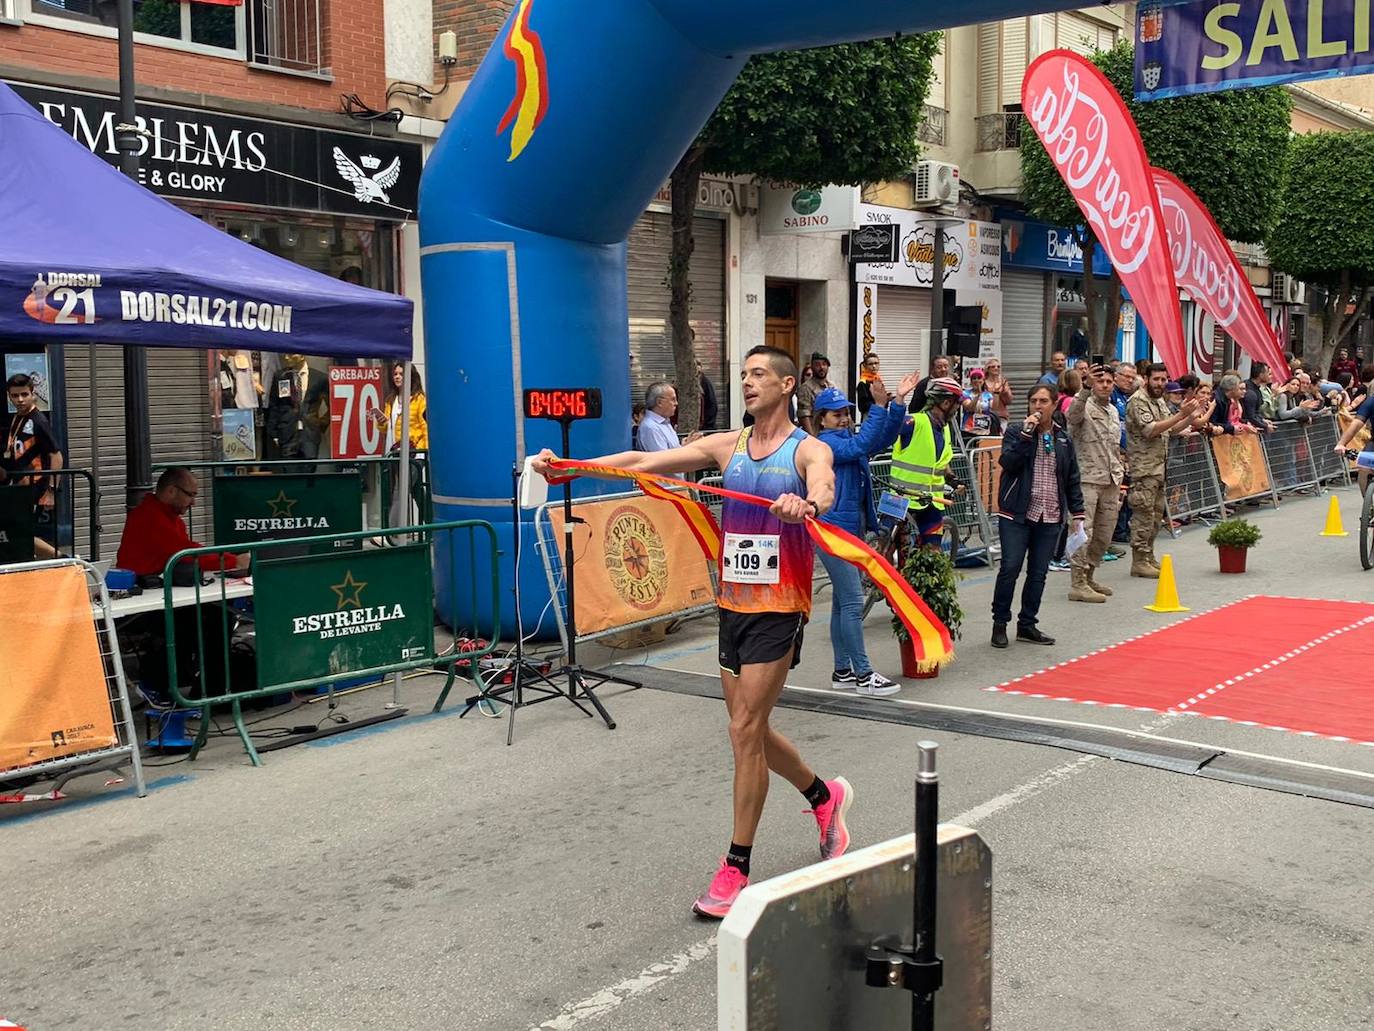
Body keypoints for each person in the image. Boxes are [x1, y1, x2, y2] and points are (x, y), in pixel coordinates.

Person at [532, 345, 848, 920]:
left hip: (780, 607)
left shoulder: (809, 450)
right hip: (733, 604)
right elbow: (646, 462)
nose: (748, 383)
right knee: (749, 731)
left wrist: (808, 504)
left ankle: (736, 865)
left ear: (784, 384)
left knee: (744, 727)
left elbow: (825, 487)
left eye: (758, 375)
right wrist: (574, 468)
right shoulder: (727, 446)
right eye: (744, 375)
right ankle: (824, 798)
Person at [813, 374, 918, 696]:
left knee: (842, 605)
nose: (844, 417)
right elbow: (864, 443)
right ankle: (862, 674)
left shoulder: (843, 440)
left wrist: (897, 403)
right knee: (853, 602)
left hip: (846, 530)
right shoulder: (827, 444)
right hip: (833, 531)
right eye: (837, 414)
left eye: (846, 412)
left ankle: (843, 670)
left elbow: (880, 441)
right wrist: (878, 406)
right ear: (822, 420)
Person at [115, 467, 245, 703]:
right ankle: (158, 684)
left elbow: (187, 549)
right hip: (139, 604)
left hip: (159, 595)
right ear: (172, 490)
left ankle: (211, 689)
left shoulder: (169, 518)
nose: (194, 502)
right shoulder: (150, 517)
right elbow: (185, 552)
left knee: (218, 617)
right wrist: (233, 560)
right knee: (194, 622)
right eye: (190, 495)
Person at [990, 384, 1085, 648]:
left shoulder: (1063, 438)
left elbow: (1071, 478)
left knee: (1038, 573)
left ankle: (1027, 624)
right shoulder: (1015, 431)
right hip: (1017, 514)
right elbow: (1008, 462)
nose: (1038, 406)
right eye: (1034, 401)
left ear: (1055, 405)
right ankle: (1000, 623)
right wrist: (1025, 435)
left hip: (1050, 514)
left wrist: (1077, 512)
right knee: (1010, 568)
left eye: (1044, 401)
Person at [1127, 365, 1202, 578]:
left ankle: (1148, 555)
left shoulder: (1159, 400)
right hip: (1144, 468)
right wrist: (1181, 414)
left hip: (1160, 467)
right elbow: (1151, 430)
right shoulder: (1138, 400)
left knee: (1156, 516)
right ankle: (1138, 560)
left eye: (1163, 379)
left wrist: (1189, 417)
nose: (1160, 384)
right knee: (1143, 515)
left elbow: (1170, 429)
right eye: (1156, 379)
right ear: (1145, 379)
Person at [1065, 365, 1124, 603]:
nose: (1105, 385)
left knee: (1104, 534)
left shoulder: (1112, 410)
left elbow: (1113, 445)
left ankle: (1090, 575)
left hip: (1110, 478)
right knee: (1083, 532)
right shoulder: (1082, 405)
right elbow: (1073, 417)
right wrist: (1085, 388)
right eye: (1100, 381)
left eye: (1109, 381)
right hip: (1087, 479)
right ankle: (1077, 582)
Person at [889, 377, 964, 555]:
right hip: (899, 498)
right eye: (957, 404)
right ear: (946, 403)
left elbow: (941, 464)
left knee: (933, 553)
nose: (957, 408)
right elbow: (888, 431)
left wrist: (954, 480)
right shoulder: (913, 422)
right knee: (884, 543)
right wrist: (897, 401)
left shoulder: (945, 429)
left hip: (930, 501)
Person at [2, 373, 63, 559]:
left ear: (32, 393)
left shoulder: (38, 420)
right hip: (20, 487)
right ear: (9, 396)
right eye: (15, 396)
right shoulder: (17, 418)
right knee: (15, 532)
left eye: (24, 394)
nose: (20, 400)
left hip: (37, 487)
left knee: (21, 533)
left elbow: (57, 456)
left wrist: (52, 491)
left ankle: (63, 558)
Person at [371, 363, 429, 529]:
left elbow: (425, 427)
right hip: (395, 452)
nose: (397, 377)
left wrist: (421, 452)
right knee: (416, 492)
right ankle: (432, 526)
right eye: (395, 374)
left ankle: (392, 531)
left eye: (401, 374)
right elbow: (385, 428)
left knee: (399, 491)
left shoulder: (419, 400)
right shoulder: (392, 400)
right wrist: (381, 421)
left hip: (413, 453)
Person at [637, 382, 695, 452]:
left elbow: (671, 453)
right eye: (673, 399)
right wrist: (685, 449)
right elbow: (663, 460)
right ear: (659, 402)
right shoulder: (651, 428)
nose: (676, 403)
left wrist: (683, 446)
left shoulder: (665, 422)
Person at [797, 352, 833, 435]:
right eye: (817, 365)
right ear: (812, 367)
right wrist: (812, 437)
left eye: (824, 364)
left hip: (832, 432)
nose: (821, 367)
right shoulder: (806, 388)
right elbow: (804, 415)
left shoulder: (832, 386)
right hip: (817, 432)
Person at [961, 367, 1001, 438]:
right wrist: (978, 396)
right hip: (969, 429)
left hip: (984, 429)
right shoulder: (965, 393)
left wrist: (996, 393)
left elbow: (994, 408)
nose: (976, 380)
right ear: (971, 381)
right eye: (974, 378)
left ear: (983, 380)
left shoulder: (988, 394)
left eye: (979, 378)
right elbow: (969, 408)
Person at [982, 358, 1015, 428]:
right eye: (993, 366)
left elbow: (1009, 401)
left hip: (1001, 416)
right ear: (988, 369)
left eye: (998, 366)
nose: (996, 368)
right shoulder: (982, 382)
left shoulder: (1003, 382)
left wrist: (1005, 392)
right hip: (985, 416)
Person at [855, 353, 882, 418]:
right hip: (869, 418)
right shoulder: (863, 383)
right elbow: (863, 407)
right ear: (865, 366)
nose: (874, 366)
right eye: (871, 364)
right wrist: (877, 401)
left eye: (876, 363)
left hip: (880, 415)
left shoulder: (878, 380)